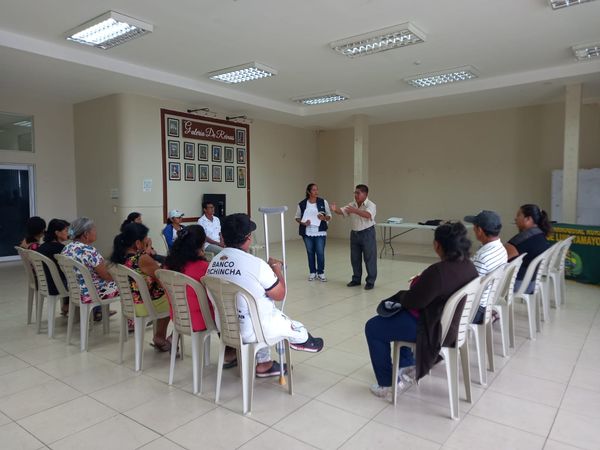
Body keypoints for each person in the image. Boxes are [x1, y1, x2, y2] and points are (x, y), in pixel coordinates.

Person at [365, 222, 478, 399]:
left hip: (432, 330)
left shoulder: (439, 271)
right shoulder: (469, 267)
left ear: (437, 245)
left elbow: (415, 302)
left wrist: (408, 291)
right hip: (453, 327)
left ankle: (386, 383)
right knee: (399, 318)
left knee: (373, 327)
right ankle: (406, 365)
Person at [206, 213, 324, 377]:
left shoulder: (213, 263)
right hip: (254, 331)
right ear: (248, 238)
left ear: (223, 237)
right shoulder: (256, 265)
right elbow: (280, 294)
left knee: (256, 304)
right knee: (291, 326)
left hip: (225, 328)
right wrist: (276, 269)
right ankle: (301, 339)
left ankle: (264, 364)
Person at [164, 225, 236, 368]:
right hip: (201, 321)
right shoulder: (205, 267)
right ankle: (229, 352)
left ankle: (173, 336)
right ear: (201, 245)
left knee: (192, 303)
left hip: (178, 317)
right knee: (224, 307)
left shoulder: (168, 265)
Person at [110, 223, 171, 350]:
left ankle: (160, 336)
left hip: (130, 304)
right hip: (144, 306)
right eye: (145, 238)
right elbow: (162, 280)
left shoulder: (119, 257)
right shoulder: (142, 258)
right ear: (138, 243)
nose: (148, 240)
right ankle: (161, 336)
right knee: (174, 298)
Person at [62, 217, 118, 321]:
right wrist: (117, 277)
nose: (96, 232)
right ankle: (133, 320)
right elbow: (105, 276)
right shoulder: (90, 251)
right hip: (91, 293)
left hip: (75, 291)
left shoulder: (67, 248)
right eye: (94, 230)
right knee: (127, 285)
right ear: (86, 234)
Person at [464, 210, 508, 324]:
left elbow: (471, 286)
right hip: (488, 302)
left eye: (474, 227)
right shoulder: (501, 249)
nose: (473, 230)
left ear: (479, 230)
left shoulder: (483, 257)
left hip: (476, 310)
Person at [331, 184, 377, 289]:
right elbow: (342, 211)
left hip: (367, 233)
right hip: (355, 234)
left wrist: (354, 210)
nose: (355, 195)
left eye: (358, 193)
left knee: (369, 258)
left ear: (365, 194)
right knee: (355, 258)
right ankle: (356, 279)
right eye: (355, 193)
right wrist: (335, 209)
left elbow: (368, 215)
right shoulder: (352, 204)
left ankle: (370, 281)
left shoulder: (371, 205)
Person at [505, 204, 552, 293]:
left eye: (518, 215)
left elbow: (501, 257)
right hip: (533, 282)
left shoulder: (523, 238)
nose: (515, 218)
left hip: (519, 284)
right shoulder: (540, 234)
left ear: (528, 219)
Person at [295, 183, 332, 282]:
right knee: (310, 252)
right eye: (314, 190)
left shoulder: (323, 202)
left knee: (320, 252)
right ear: (308, 192)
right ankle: (312, 272)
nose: (316, 192)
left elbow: (329, 216)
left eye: (317, 189)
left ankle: (321, 273)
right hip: (307, 232)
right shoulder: (302, 204)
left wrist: (324, 218)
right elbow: (297, 217)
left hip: (320, 232)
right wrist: (303, 223)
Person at [37, 219, 70, 315]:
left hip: (44, 284)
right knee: (81, 279)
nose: (68, 233)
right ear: (57, 233)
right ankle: (95, 310)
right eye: (66, 230)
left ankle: (67, 305)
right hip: (56, 286)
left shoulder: (41, 247)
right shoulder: (61, 249)